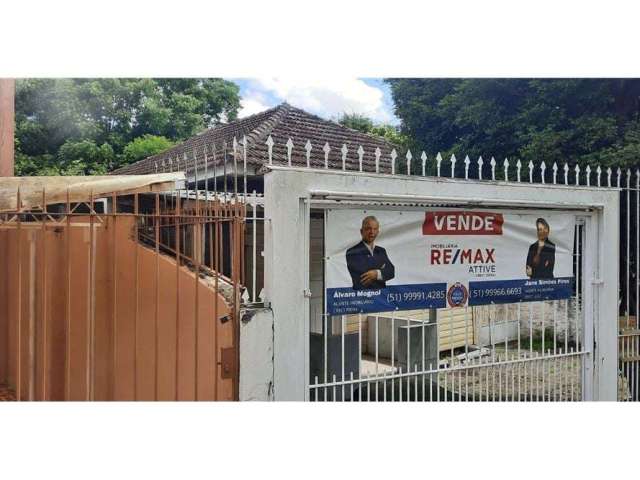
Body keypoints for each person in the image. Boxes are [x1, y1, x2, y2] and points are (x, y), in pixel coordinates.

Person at [346, 216, 395, 290]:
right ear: (361, 231)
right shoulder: (352, 251)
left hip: (381, 296)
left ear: (378, 232)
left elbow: (391, 271)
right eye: (368, 228)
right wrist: (381, 270)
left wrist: (376, 273)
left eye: (375, 229)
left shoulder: (381, 251)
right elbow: (361, 277)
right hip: (362, 297)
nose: (372, 232)